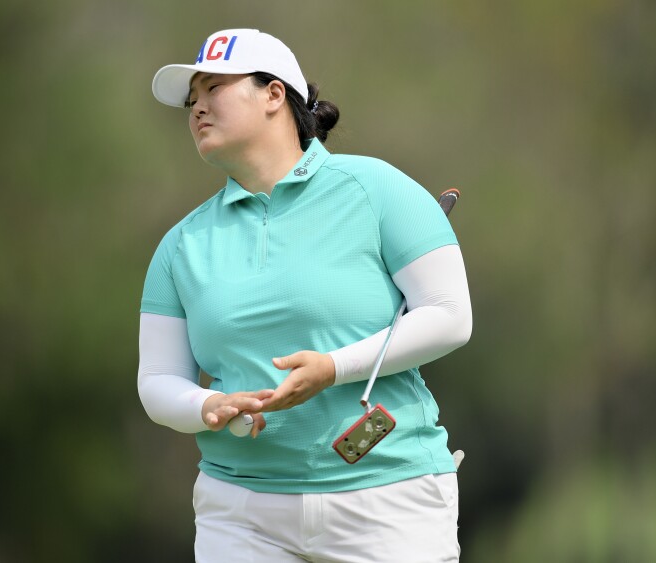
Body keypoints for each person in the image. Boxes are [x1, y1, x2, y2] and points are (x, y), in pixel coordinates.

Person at [138, 28, 473, 563]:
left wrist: (332, 368)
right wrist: (208, 405)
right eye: (190, 100)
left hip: (387, 496)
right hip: (240, 511)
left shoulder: (375, 187)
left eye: (214, 88)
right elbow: (158, 380)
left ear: (274, 94)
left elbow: (450, 315)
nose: (197, 107)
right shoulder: (180, 245)